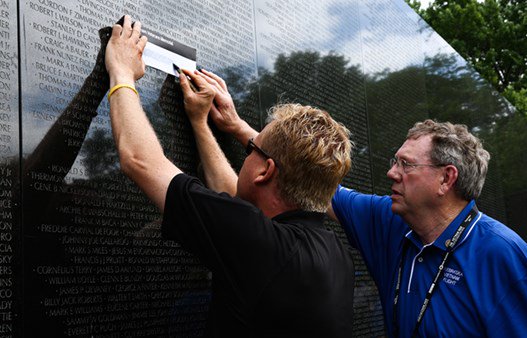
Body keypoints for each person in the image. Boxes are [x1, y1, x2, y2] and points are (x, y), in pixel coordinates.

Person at [104, 16, 354, 337]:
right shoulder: (333, 252)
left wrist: (122, 71)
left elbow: (140, 160)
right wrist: (199, 123)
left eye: (253, 149)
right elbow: (232, 199)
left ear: (266, 171)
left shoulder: (264, 247)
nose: (247, 154)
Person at [328, 119, 527, 336]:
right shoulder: (390, 221)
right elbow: (319, 191)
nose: (392, 172)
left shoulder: (500, 254)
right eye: (395, 162)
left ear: (446, 178)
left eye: (406, 164)